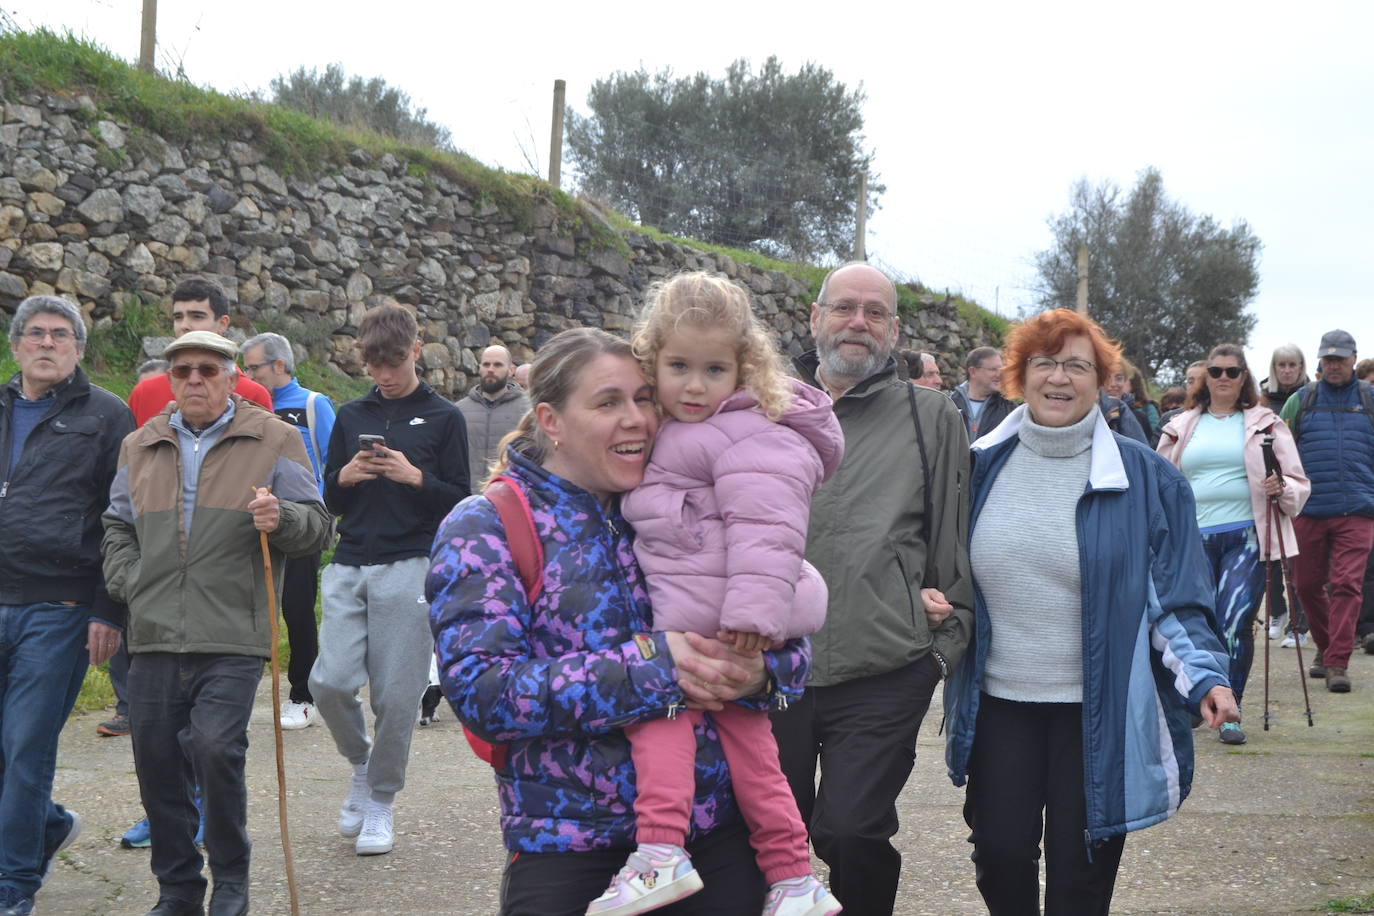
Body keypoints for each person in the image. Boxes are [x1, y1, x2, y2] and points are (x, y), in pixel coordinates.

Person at [426, 327, 811, 916]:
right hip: (569, 845)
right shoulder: (486, 524)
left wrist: (763, 672)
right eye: (608, 403)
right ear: (551, 420)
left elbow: (788, 633)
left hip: (718, 839)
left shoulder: (688, 496)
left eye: (643, 398)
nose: (636, 419)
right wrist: (657, 670)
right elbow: (483, 691)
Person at [943, 308, 1239, 916]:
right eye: (1044, 363)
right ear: (1018, 376)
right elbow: (943, 570)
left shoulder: (1149, 480)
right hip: (1000, 703)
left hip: (1098, 710)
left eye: (1077, 365)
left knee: (1082, 878)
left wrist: (1206, 677)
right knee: (999, 857)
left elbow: (1177, 598)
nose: (1059, 377)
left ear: (1102, 379)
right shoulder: (975, 467)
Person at [582, 273, 843, 916]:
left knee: (659, 720)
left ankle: (660, 853)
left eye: (714, 369)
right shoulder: (697, 427)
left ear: (744, 367)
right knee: (757, 754)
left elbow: (769, 526)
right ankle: (793, 876)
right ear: (653, 361)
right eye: (678, 367)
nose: (694, 386)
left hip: (717, 612)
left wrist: (755, 614)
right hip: (712, 603)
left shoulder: (752, 431)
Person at [102, 330, 333, 916]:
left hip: (234, 629)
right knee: (156, 763)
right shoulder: (139, 444)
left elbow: (318, 526)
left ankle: (230, 879)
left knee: (215, 748)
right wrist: (133, 582)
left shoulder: (275, 437)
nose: (195, 380)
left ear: (232, 378)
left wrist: (281, 518)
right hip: (152, 631)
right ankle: (178, 889)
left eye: (209, 369)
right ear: (169, 382)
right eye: (183, 371)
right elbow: (116, 527)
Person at [771, 262, 973, 916]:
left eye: (876, 312)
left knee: (853, 831)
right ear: (815, 317)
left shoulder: (931, 416)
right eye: (845, 308)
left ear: (893, 329)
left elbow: (953, 536)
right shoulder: (762, 406)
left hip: (884, 666)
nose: (859, 322)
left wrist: (944, 645)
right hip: (772, 666)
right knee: (770, 835)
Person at [311, 304, 470, 856]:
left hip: (412, 561)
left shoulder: (446, 416)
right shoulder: (351, 414)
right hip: (350, 557)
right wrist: (346, 477)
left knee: (397, 698)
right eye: (375, 364)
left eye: (395, 362)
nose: (385, 375)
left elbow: (461, 501)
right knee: (327, 683)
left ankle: (381, 800)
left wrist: (414, 477)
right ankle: (361, 766)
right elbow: (328, 497)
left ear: (416, 350)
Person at [0, 295, 133, 916]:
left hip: (58, 606)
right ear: (16, 344)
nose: (46, 343)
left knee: (27, 747)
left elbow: (122, 517)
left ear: (78, 349)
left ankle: (14, 886)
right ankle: (47, 825)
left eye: (60, 335)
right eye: (35, 333)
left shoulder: (108, 415)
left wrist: (108, 607)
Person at [1157, 344, 1310, 744]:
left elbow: (1297, 482)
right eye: (1216, 370)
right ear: (1205, 377)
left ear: (1244, 377)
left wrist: (1282, 486)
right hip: (1190, 539)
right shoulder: (1182, 424)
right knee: (1197, 622)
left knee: (1234, 622)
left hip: (1247, 534)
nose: (1223, 377)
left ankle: (1229, 710)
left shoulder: (1267, 423)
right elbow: (1157, 480)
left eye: (1232, 371)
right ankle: (1198, 699)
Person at [242, 332, 337, 730]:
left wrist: (322, 515)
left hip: (299, 523)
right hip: (251, 520)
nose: (246, 374)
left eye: (253, 367)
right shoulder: (243, 408)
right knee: (249, 609)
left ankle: (302, 696)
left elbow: (334, 462)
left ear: (279, 365)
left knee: (297, 610)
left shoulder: (313, 405)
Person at [1279, 329, 1374, 693]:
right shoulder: (1300, 401)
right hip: (1309, 509)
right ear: (1320, 360)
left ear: (1353, 358)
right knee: (1305, 585)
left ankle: (1337, 662)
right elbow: (1282, 454)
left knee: (1348, 585)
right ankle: (1326, 645)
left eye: (1341, 358)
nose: (1334, 364)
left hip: (1358, 509)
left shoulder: (1369, 399)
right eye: (1328, 358)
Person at [126, 278, 272, 426]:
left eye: (196, 316)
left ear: (222, 324)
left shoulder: (254, 395)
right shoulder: (144, 393)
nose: (184, 326)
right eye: (178, 317)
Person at [456, 344, 530, 487]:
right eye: (486, 364)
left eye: (497, 365)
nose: (490, 370)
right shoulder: (459, 410)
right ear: (479, 368)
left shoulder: (528, 410)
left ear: (511, 370)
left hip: (511, 497)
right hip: (467, 500)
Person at [950, 345, 1013, 440]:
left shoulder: (1009, 408)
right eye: (993, 369)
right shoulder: (950, 404)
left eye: (1001, 369)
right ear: (973, 372)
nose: (999, 374)